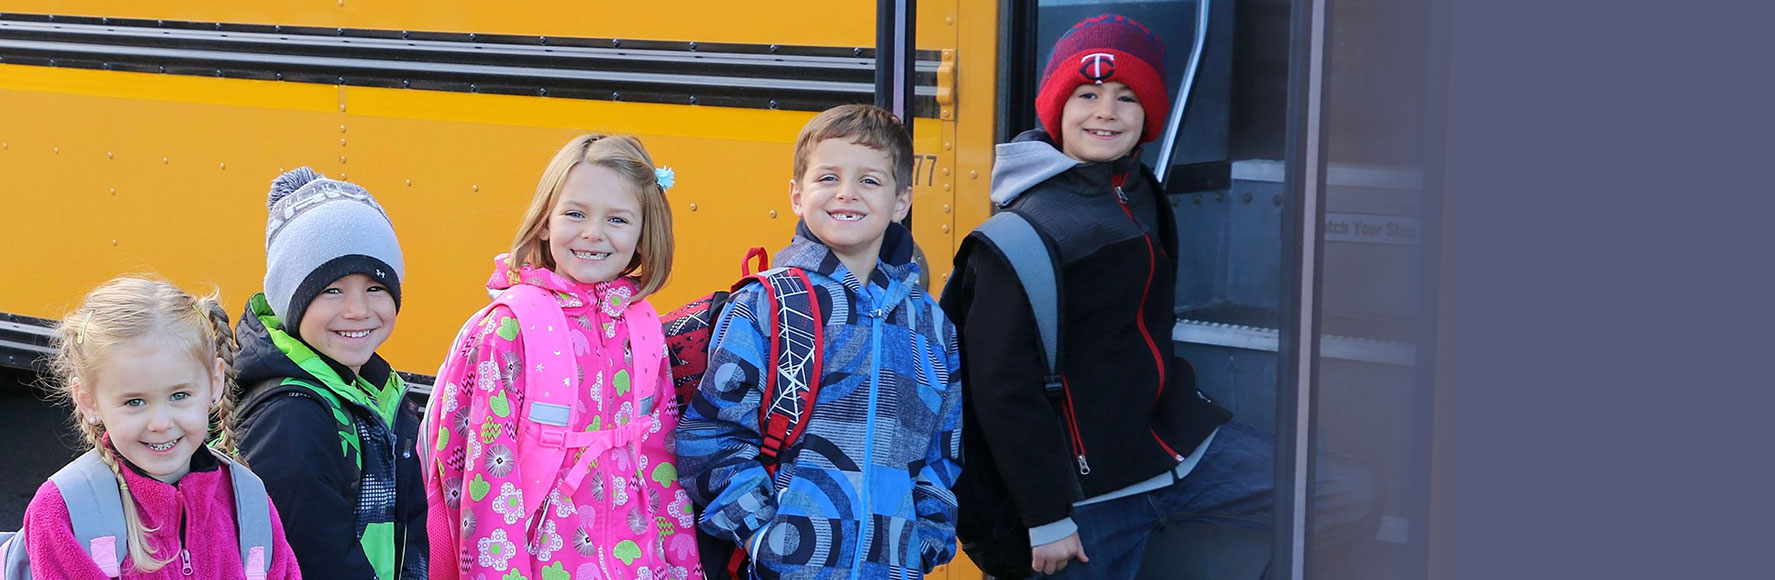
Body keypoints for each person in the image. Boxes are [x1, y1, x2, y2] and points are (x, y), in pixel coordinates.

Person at [940, 14, 1386, 579]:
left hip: (1178, 447)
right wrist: (1046, 516)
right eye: (1087, 94)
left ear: (1149, 114)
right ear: (1055, 108)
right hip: (1084, 496)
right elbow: (1001, 393)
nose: (1106, 111)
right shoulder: (1018, 238)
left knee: (1349, 494)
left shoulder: (1140, 192)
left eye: (1127, 97)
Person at [675, 104, 964, 579]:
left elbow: (942, 453)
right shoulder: (769, 304)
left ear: (902, 202)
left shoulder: (931, 325)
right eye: (827, 178)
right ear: (796, 194)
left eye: (869, 181)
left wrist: (924, 543)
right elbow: (710, 435)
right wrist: (765, 536)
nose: (846, 193)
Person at [423, 134, 703, 580]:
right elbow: (486, 477)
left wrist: (682, 566)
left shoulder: (643, 327)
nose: (592, 233)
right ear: (545, 222)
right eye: (575, 213)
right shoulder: (511, 328)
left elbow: (659, 460)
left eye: (617, 219)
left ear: (644, 233)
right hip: (540, 563)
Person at [21, 276, 303, 580]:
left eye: (179, 396)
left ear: (215, 384)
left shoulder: (249, 503)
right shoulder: (65, 511)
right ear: (89, 402)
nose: (160, 424)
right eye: (134, 402)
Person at [233, 168, 427, 580]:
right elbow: (312, 557)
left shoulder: (373, 389)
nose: (357, 310)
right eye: (331, 290)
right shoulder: (291, 418)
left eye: (375, 288)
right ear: (291, 302)